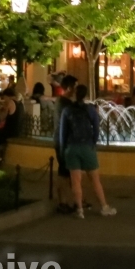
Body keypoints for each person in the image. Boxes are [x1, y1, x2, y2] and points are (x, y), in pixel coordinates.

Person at [58, 84, 116, 219]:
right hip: (87, 147)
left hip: (72, 148)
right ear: (85, 95)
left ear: (74, 94)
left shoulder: (67, 110)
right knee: (95, 180)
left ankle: (79, 210)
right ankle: (104, 207)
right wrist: (92, 144)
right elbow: (96, 130)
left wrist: (63, 151)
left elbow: (63, 134)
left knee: (76, 181)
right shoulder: (90, 110)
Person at [53, 75, 78, 214]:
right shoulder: (65, 104)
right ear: (69, 88)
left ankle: (73, 200)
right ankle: (62, 202)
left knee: (68, 172)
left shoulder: (61, 102)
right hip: (63, 143)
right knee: (64, 173)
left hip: (62, 141)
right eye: (75, 87)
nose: (76, 90)